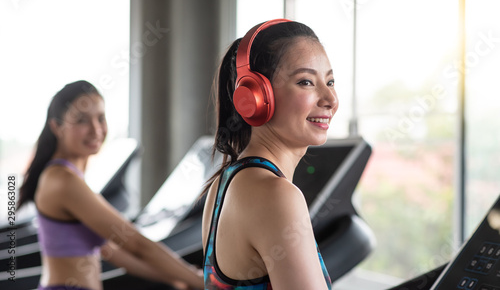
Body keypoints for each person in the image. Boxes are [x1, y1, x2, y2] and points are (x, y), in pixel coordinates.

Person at [18, 80, 204, 290]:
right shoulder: (62, 181)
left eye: (100, 118)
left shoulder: (70, 177)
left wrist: (179, 279)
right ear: (57, 127)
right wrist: (203, 282)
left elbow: (115, 254)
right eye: (81, 120)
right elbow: (137, 245)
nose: (96, 129)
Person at [201, 19, 338, 290]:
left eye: (330, 81)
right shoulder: (276, 195)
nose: (330, 99)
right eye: (306, 82)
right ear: (256, 97)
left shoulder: (225, 182)